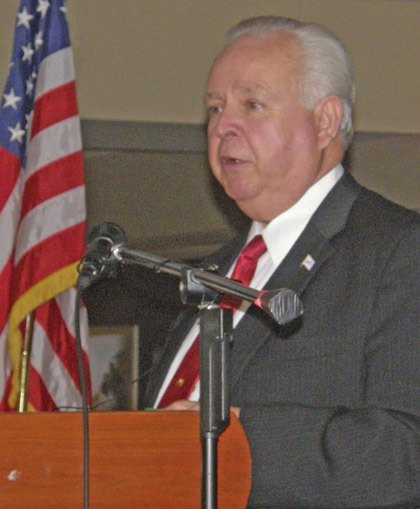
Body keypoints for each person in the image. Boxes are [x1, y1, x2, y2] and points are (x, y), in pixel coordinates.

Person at [143, 16, 420, 508]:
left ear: (325, 121)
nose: (222, 127)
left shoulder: (398, 252)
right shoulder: (212, 273)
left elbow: (405, 451)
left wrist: (233, 440)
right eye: (215, 108)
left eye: (251, 105)